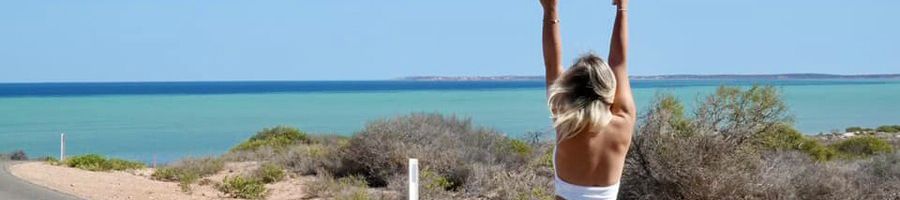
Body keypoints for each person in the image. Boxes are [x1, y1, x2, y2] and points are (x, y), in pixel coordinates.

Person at [540, 0, 635, 199]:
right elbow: (619, 63)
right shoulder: (624, 120)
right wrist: (622, 8)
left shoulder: (565, 120)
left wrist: (550, 9)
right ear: (610, 87)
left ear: (571, 88)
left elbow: (552, 65)